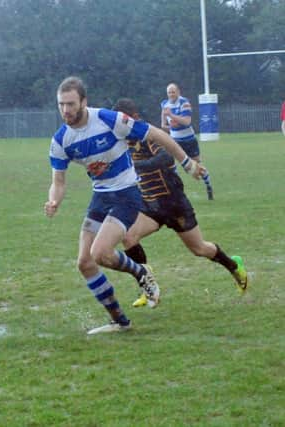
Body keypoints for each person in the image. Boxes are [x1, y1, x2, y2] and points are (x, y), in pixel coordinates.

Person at [45, 76, 205, 335]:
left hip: (127, 194)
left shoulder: (109, 120)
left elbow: (156, 134)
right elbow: (58, 182)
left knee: (101, 253)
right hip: (100, 196)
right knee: (85, 263)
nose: (65, 110)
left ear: (84, 102)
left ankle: (141, 272)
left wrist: (186, 162)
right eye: (61, 104)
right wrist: (54, 200)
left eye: (71, 104)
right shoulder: (61, 140)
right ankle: (120, 321)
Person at [113, 98, 248, 307]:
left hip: (174, 202)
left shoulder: (148, 134)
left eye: (124, 119)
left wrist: (137, 166)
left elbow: (166, 158)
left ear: (135, 118)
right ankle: (147, 287)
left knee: (200, 249)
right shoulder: (120, 142)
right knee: (128, 237)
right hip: (150, 205)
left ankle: (234, 266)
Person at [161, 83, 214, 200]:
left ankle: (208, 185)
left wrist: (172, 116)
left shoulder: (184, 103)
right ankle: (176, 192)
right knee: (170, 164)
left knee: (196, 167)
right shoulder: (165, 104)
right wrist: (171, 125)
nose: (171, 94)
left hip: (188, 140)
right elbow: (163, 125)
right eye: (169, 92)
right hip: (175, 140)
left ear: (178, 92)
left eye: (173, 92)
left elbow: (187, 122)